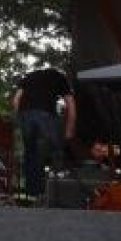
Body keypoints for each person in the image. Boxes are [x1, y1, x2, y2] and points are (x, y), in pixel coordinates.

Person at [11, 67, 76, 199]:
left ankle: (33, 193)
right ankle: (57, 191)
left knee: (30, 153)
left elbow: (16, 100)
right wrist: (68, 132)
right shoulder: (60, 77)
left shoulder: (30, 75)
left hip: (25, 114)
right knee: (55, 150)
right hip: (45, 114)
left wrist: (20, 120)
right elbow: (71, 107)